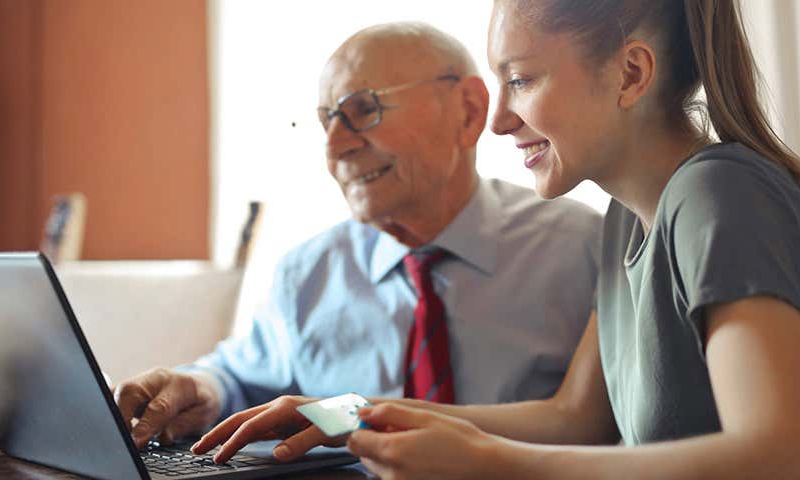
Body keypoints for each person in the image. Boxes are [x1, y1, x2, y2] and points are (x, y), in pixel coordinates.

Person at [192, 1, 800, 479]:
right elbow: (576, 417)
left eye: (521, 80)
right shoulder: (629, 220)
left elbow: (793, 456)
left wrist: (486, 461)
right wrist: (345, 414)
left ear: (630, 75)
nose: (498, 120)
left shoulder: (718, 195)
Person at [113, 21, 602, 454]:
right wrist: (200, 389)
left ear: (469, 111)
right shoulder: (309, 271)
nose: (335, 147)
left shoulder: (584, 248)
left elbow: (598, 426)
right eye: (327, 120)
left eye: (363, 110)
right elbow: (241, 378)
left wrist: (346, 415)